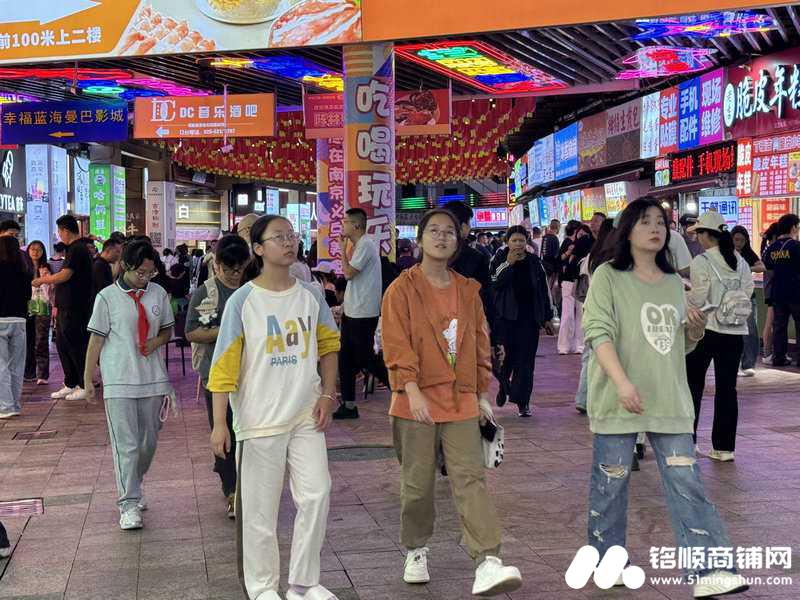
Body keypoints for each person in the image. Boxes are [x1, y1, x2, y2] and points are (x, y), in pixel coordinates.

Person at [581, 198, 748, 598]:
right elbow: (598, 332)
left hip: (669, 400)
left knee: (687, 482)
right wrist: (622, 383)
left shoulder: (674, 282)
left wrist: (694, 329)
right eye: (645, 222)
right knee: (610, 487)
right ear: (627, 231)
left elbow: (680, 346)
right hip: (618, 400)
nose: (656, 228)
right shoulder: (608, 276)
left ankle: (710, 569)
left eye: (661, 222)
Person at [381, 209, 522, 597]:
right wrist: (410, 389)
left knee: (470, 478)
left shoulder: (467, 290)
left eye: (448, 232)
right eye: (433, 231)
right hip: (415, 402)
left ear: (458, 241)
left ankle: (488, 560)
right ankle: (416, 549)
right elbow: (395, 342)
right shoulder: (401, 289)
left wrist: (481, 394)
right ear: (420, 239)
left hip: (460, 400)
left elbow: (479, 343)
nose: (441, 237)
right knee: (417, 484)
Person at [207, 215, 340, 600]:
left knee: (317, 493)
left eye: (291, 235)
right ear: (259, 248)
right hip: (259, 421)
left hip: (305, 415)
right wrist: (220, 423)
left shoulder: (311, 295)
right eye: (278, 237)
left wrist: (327, 395)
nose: (288, 242)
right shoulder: (243, 301)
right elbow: (223, 368)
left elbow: (329, 346)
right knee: (260, 512)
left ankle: (304, 582)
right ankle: (263, 587)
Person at [84, 239, 175, 530]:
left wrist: (156, 341)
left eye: (150, 272)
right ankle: (129, 504)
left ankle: (135, 481)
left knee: (148, 443)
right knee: (127, 445)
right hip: (119, 380)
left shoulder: (158, 293)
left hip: (153, 379)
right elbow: (96, 340)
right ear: (125, 266)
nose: (145, 278)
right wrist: (88, 379)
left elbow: (167, 331)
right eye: (140, 273)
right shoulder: (107, 297)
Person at [186, 234, 251, 518]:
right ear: (216, 265)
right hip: (217, 375)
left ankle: (250, 487)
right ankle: (232, 490)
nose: (235, 274)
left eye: (240, 268)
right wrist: (228, 332)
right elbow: (191, 332)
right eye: (229, 269)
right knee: (224, 432)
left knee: (250, 434)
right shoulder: (208, 293)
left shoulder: (254, 288)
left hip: (252, 375)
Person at [685, 212, 753, 462]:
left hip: (705, 330)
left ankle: (688, 442)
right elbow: (747, 291)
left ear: (707, 235)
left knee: (693, 386)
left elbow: (699, 297)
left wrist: (684, 297)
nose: (697, 238)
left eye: (699, 233)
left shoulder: (701, 261)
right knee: (727, 389)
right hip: (735, 332)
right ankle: (724, 449)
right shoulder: (739, 260)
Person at [489, 226, 554, 416]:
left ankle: (522, 402)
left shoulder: (534, 262)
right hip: (505, 317)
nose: (518, 244)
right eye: (514, 240)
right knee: (506, 359)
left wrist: (547, 317)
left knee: (526, 362)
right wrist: (508, 264)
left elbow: (543, 290)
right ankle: (504, 383)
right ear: (507, 242)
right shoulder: (499, 259)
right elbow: (494, 283)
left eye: (521, 240)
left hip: (529, 319)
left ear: (527, 242)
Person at [334, 208, 390, 420]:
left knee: (365, 357)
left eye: (345, 222)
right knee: (346, 359)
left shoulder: (366, 244)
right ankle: (348, 405)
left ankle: (400, 388)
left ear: (356, 225)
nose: (343, 225)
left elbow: (348, 273)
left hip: (363, 312)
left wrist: (342, 250)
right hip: (353, 311)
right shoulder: (359, 245)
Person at [32, 215, 93, 401]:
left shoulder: (77, 249)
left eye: (59, 231)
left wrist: (42, 280)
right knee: (63, 344)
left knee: (75, 344)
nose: (59, 235)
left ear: (66, 230)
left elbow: (65, 275)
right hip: (65, 306)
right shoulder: (73, 249)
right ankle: (70, 382)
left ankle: (84, 384)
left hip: (76, 306)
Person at [575, 218, 615, 415]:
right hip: (608, 309)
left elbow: (583, 280)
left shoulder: (593, 255)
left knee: (589, 354)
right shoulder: (614, 257)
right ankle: (594, 398)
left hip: (590, 307)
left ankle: (583, 398)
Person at [762, 214, 800, 368]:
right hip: (796, 292)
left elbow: (768, 269)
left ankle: (778, 357)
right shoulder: (796, 246)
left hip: (777, 293)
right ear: (793, 227)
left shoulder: (771, 248)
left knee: (779, 327)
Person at [0, 236, 32, 419]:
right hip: (19, 320)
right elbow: (28, 296)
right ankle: (14, 404)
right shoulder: (24, 269)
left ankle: (5, 406)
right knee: (17, 366)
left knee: (1, 365)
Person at [731, 225, 765, 377]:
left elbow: (762, 267)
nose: (739, 243)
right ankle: (732, 363)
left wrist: (746, 268)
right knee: (731, 332)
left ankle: (748, 364)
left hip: (747, 297)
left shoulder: (748, 253)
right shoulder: (725, 253)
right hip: (729, 298)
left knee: (750, 331)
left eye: (742, 240)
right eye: (736, 239)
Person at [557, 220, 588, 355]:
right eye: (579, 233)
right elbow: (559, 260)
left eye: (584, 234)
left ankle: (579, 345)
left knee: (580, 314)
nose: (581, 236)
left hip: (581, 282)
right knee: (568, 314)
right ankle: (564, 346)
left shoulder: (589, 245)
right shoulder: (568, 243)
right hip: (569, 282)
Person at [24, 241, 52, 385]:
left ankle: (42, 373)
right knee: (28, 339)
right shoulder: (23, 267)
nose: (35, 252)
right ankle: (29, 372)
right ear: (28, 251)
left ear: (43, 252)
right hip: (28, 304)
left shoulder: (47, 268)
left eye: (39, 249)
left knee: (41, 339)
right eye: (32, 249)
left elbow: (52, 288)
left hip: (42, 303)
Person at [760, 223, 780, 363]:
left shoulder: (768, 250)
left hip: (771, 290)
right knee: (770, 322)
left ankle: (770, 352)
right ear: (774, 236)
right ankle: (767, 354)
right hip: (772, 291)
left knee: (773, 323)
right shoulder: (770, 251)